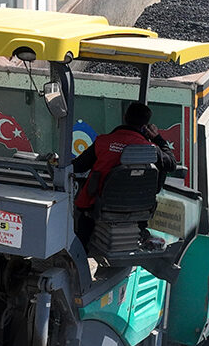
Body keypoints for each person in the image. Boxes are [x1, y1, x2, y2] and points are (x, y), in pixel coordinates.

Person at [71, 102, 178, 249]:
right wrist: (157, 138)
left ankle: (80, 250)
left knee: (81, 215)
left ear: (125, 117)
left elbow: (77, 166)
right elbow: (171, 163)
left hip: (99, 207)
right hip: (139, 210)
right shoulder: (151, 149)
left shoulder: (103, 142)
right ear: (145, 126)